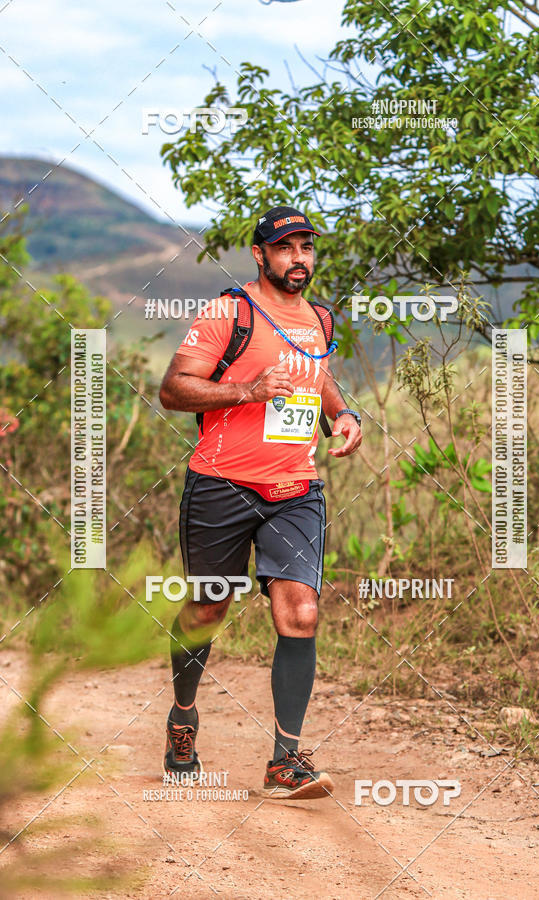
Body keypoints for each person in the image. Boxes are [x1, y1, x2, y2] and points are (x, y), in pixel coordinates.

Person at [159, 205, 362, 799]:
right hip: (221, 484)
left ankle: (284, 762)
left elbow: (318, 377)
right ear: (260, 254)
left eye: (307, 248)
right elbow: (174, 388)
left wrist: (341, 413)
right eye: (286, 248)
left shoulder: (319, 319)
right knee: (208, 610)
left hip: (294, 489)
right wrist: (246, 390)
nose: (299, 259)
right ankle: (182, 716)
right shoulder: (231, 311)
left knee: (300, 612)